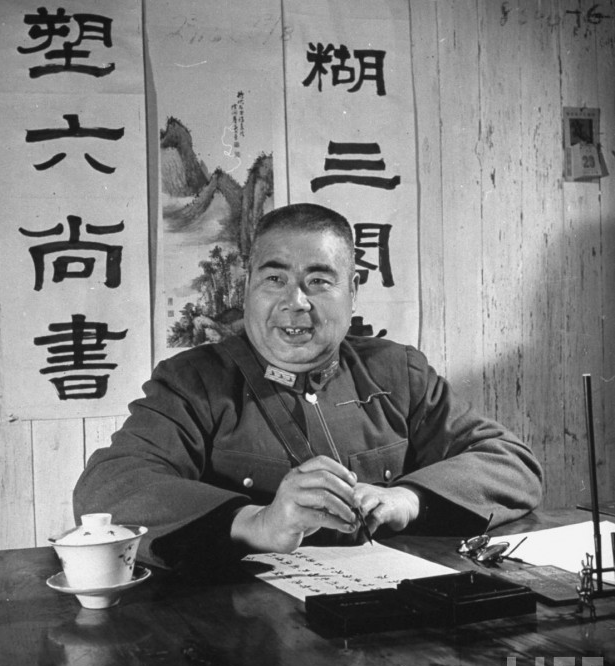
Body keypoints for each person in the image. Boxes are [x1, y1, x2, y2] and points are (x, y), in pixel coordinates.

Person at [73, 203, 542, 572]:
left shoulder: (397, 371)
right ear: (247, 288)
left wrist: (407, 499)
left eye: (318, 280)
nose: (295, 303)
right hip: (248, 631)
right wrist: (259, 522)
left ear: (352, 290)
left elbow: (511, 462)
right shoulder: (193, 382)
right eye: (275, 279)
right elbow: (107, 487)